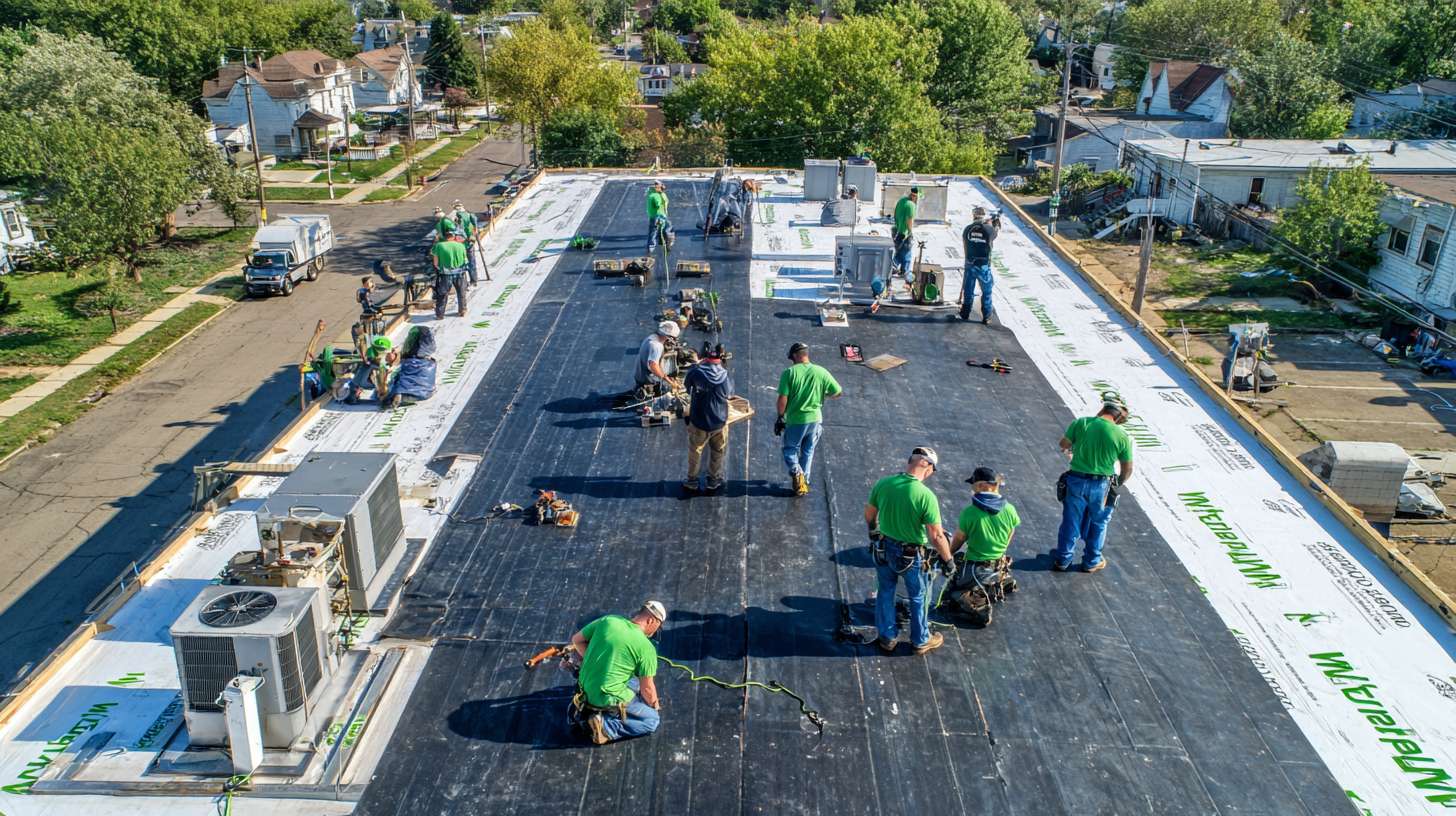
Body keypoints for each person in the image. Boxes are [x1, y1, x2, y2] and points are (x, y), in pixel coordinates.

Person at [866, 447, 956, 655]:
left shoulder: (884, 484)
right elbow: (936, 536)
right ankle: (921, 640)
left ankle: (887, 637)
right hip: (912, 556)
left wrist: (874, 532)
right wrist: (948, 560)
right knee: (918, 596)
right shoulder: (925, 496)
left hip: (884, 548)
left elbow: (870, 514)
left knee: (885, 591)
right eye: (933, 469)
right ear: (927, 465)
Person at [1055, 395, 1134, 573]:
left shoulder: (1081, 423)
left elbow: (1064, 444)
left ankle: (1063, 559)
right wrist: (1117, 484)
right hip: (1102, 486)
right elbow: (1127, 468)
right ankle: (1091, 562)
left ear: (1102, 410)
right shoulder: (1122, 435)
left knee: (1071, 521)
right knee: (1099, 523)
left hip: (1076, 480)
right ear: (1118, 417)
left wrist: (1076, 448)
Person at [568, 602, 665, 745]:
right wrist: (654, 705)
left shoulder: (609, 620)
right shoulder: (646, 648)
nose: (657, 631)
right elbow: (647, 688)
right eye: (659, 626)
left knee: (633, 681)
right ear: (651, 620)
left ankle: (581, 709)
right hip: (605, 697)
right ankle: (605, 726)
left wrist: (595, 660)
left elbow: (577, 640)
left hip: (583, 689)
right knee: (651, 720)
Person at [944, 467, 1020, 618]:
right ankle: (998, 581)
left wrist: (947, 555)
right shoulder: (1010, 509)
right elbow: (1011, 532)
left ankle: (978, 606)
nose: (971, 488)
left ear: (981, 486)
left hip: (976, 568)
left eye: (973, 484)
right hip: (999, 562)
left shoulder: (970, 513)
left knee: (952, 593)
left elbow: (959, 539)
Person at [775, 342, 843, 496]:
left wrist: (780, 416)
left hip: (796, 420)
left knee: (790, 449)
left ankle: (796, 472)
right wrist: (821, 395)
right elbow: (838, 392)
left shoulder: (789, 372)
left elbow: (782, 398)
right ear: (806, 354)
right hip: (815, 420)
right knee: (808, 450)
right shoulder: (821, 371)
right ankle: (803, 482)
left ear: (794, 356)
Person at [683, 345, 734, 495]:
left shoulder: (695, 372)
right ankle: (713, 479)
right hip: (719, 421)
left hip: (698, 420)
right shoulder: (725, 376)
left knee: (695, 451)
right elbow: (729, 395)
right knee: (718, 451)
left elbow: (686, 389)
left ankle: (692, 480)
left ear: (704, 357)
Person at [959, 207, 999, 324]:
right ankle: (986, 316)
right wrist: (994, 225)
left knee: (968, 290)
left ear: (974, 216)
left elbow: (966, 244)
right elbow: (994, 234)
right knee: (987, 291)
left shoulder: (967, 229)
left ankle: (965, 313)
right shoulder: (988, 229)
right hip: (983, 265)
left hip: (970, 264)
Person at [430, 231, 469, 319]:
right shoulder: (460, 245)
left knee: (443, 294)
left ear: (445, 237)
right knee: (461, 292)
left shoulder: (439, 246)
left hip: (445, 273)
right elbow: (465, 260)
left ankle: (440, 314)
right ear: (453, 236)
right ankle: (462, 310)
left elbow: (435, 261)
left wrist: (438, 268)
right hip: (459, 272)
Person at [634, 321, 681, 395]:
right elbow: (653, 366)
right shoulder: (657, 346)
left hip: (640, 373)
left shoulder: (652, 337)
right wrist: (668, 380)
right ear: (669, 337)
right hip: (647, 380)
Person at [891, 187, 920, 291]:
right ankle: (907, 279)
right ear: (915, 196)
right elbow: (909, 220)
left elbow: (895, 214)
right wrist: (910, 232)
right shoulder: (911, 205)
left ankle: (897, 269)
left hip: (896, 231)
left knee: (900, 253)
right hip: (904, 234)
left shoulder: (902, 200)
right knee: (907, 256)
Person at [452, 200, 485, 285]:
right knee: (471, 262)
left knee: (461, 263)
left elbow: (460, 229)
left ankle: (465, 282)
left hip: (462, 243)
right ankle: (474, 279)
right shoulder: (471, 216)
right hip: (470, 241)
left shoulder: (459, 217)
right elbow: (475, 229)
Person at [646, 181, 674, 253]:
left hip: (654, 215)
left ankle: (651, 246)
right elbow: (658, 204)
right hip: (660, 216)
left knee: (653, 231)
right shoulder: (657, 195)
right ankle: (668, 243)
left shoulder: (651, 194)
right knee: (668, 228)